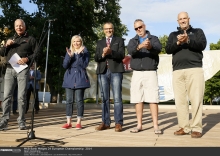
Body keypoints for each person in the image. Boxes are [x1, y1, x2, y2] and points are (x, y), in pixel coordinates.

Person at [165, 12, 207, 138]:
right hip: (177, 71)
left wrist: (188, 40)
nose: (183, 20)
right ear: (177, 21)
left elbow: (202, 45)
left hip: (194, 69)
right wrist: (178, 43)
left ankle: (196, 128)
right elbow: (167, 49)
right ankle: (184, 127)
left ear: (189, 19)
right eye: (180, 19)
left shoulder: (198, 31)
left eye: (185, 18)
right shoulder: (173, 35)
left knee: (196, 100)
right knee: (180, 101)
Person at [0, 19, 39, 131]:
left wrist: (27, 58)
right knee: (7, 96)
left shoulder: (30, 39)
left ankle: (21, 121)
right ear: (14, 27)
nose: (19, 27)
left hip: (23, 69)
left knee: (22, 97)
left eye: (21, 25)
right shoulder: (10, 39)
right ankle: (4, 122)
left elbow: (38, 53)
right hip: (9, 69)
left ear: (24, 26)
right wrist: (6, 45)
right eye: (17, 26)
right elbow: (2, 53)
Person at [127, 19, 162, 134]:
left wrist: (149, 47)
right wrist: (139, 46)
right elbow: (130, 50)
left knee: (153, 99)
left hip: (150, 71)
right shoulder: (133, 40)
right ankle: (139, 125)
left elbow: (158, 49)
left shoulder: (154, 38)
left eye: (140, 27)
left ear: (144, 26)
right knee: (138, 99)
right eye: (136, 28)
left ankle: (156, 126)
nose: (138, 30)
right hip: (137, 72)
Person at [94, 22, 125, 132]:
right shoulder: (100, 42)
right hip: (103, 72)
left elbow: (122, 55)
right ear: (103, 30)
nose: (108, 30)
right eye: (106, 29)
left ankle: (118, 123)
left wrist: (111, 52)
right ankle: (105, 122)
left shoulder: (119, 40)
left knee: (117, 98)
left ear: (113, 29)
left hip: (116, 71)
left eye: (110, 28)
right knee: (104, 99)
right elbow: (96, 57)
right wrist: (103, 54)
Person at [61, 35, 90, 130]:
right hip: (69, 78)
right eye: (74, 41)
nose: (76, 43)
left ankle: (78, 122)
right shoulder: (69, 52)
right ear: (72, 43)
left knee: (79, 100)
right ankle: (68, 122)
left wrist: (80, 55)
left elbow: (84, 65)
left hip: (80, 77)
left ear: (81, 42)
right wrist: (69, 57)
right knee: (69, 101)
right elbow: (65, 65)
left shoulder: (85, 52)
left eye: (78, 41)